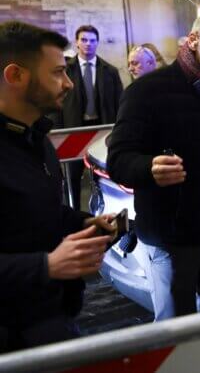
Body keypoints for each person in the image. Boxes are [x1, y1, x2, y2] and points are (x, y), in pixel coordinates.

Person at [107, 13, 200, 321]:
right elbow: (119, 160)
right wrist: (149, 168)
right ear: (193, 41)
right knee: (174, 328)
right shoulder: (146, 92)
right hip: (169, 238)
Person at [0, 21, 114, 351]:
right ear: (16, 76)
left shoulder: (36, 137)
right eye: (57, 73)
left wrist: (83, 222)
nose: (68, 83)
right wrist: (46, 266)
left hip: (51, 314)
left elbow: (35, 210)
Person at [52, 24, 124, 204]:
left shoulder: (110, 71)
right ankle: (74, 209)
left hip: (103, 128)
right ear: (76, 42)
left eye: (92, 40)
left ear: (97, 43)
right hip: (72, 129)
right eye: (84, 40)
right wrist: (57, 133)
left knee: (103, 175)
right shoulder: (65, 70)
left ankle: (106, 209)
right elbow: (56, 104)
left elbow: (119, 103)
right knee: (72, 177)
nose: (88, 44)